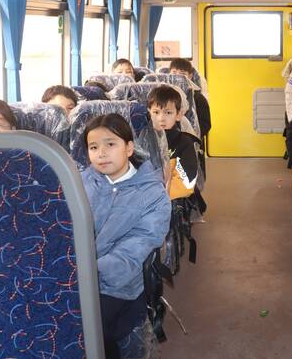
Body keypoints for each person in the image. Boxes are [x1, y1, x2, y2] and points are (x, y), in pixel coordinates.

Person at [81, 113, 170, 358]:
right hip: (74, 275)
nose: (101, 153)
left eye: (110, 144)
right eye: (93, 147)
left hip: (119, 284)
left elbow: (135, 249)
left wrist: (89, 270)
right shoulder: (79, 182)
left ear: (129, 148)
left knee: (89, 327)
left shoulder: (153, 194)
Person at [148, 85, 200, 200]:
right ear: (149, 113)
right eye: (156, 112)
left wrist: (157, 199)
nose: (161, 118)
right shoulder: (143, 141)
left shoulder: (183, 143)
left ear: (178, 115)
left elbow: (186, 182)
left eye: (168, 113)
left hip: (171, 201)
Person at [169, 58, 211, 139]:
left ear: (190, 76)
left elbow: (205, 124)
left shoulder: (198, 98)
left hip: (191, 139)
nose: (178, 76)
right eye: (174, 72)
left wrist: (191, 137)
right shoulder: (164, 95)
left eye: (182, 73)